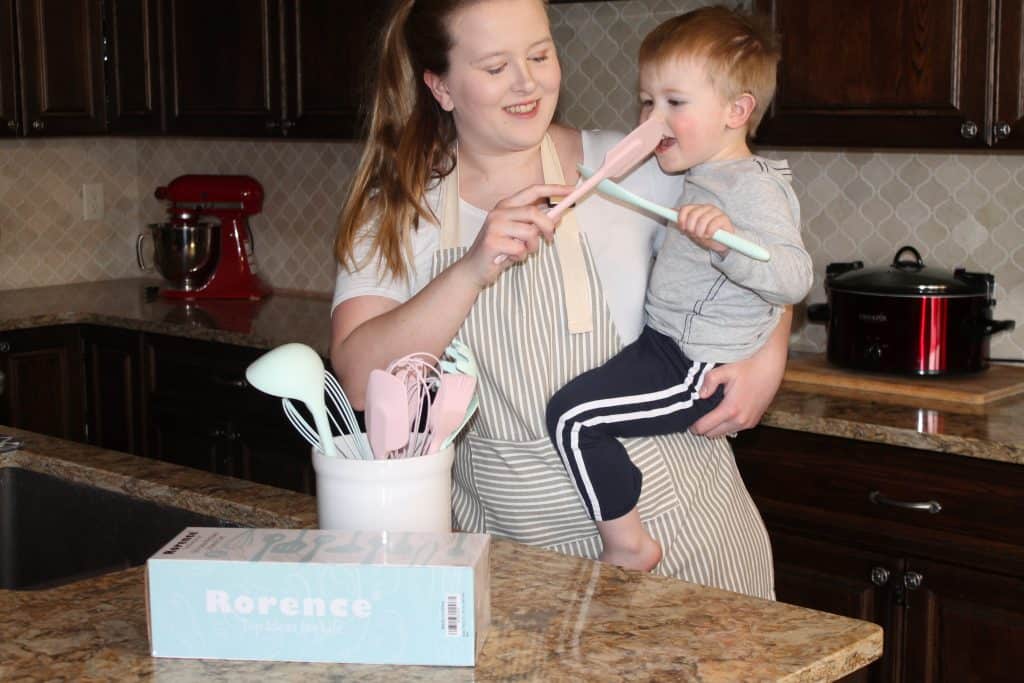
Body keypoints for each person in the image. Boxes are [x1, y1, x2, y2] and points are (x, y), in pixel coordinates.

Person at [330, 0, 789, 599]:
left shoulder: (640, 166)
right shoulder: (395, 210)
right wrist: (471, 269)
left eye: (540, 54)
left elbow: (766, 248)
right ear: (440, 86)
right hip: (515, 552)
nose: (528, 82)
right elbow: (363, 382)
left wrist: (769, 356)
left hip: (680, 529)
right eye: (496, 66)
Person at [545, 6, 813, 572]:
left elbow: (793, 277)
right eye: (646, 101)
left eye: (674, 102)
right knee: (575, 413)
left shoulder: (751, 189)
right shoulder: (694, 171)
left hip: (694, 363)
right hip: (664, 345)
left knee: (574, 418)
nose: (653, 117)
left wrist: (726, 242)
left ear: (737, 111)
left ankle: (628, 542)